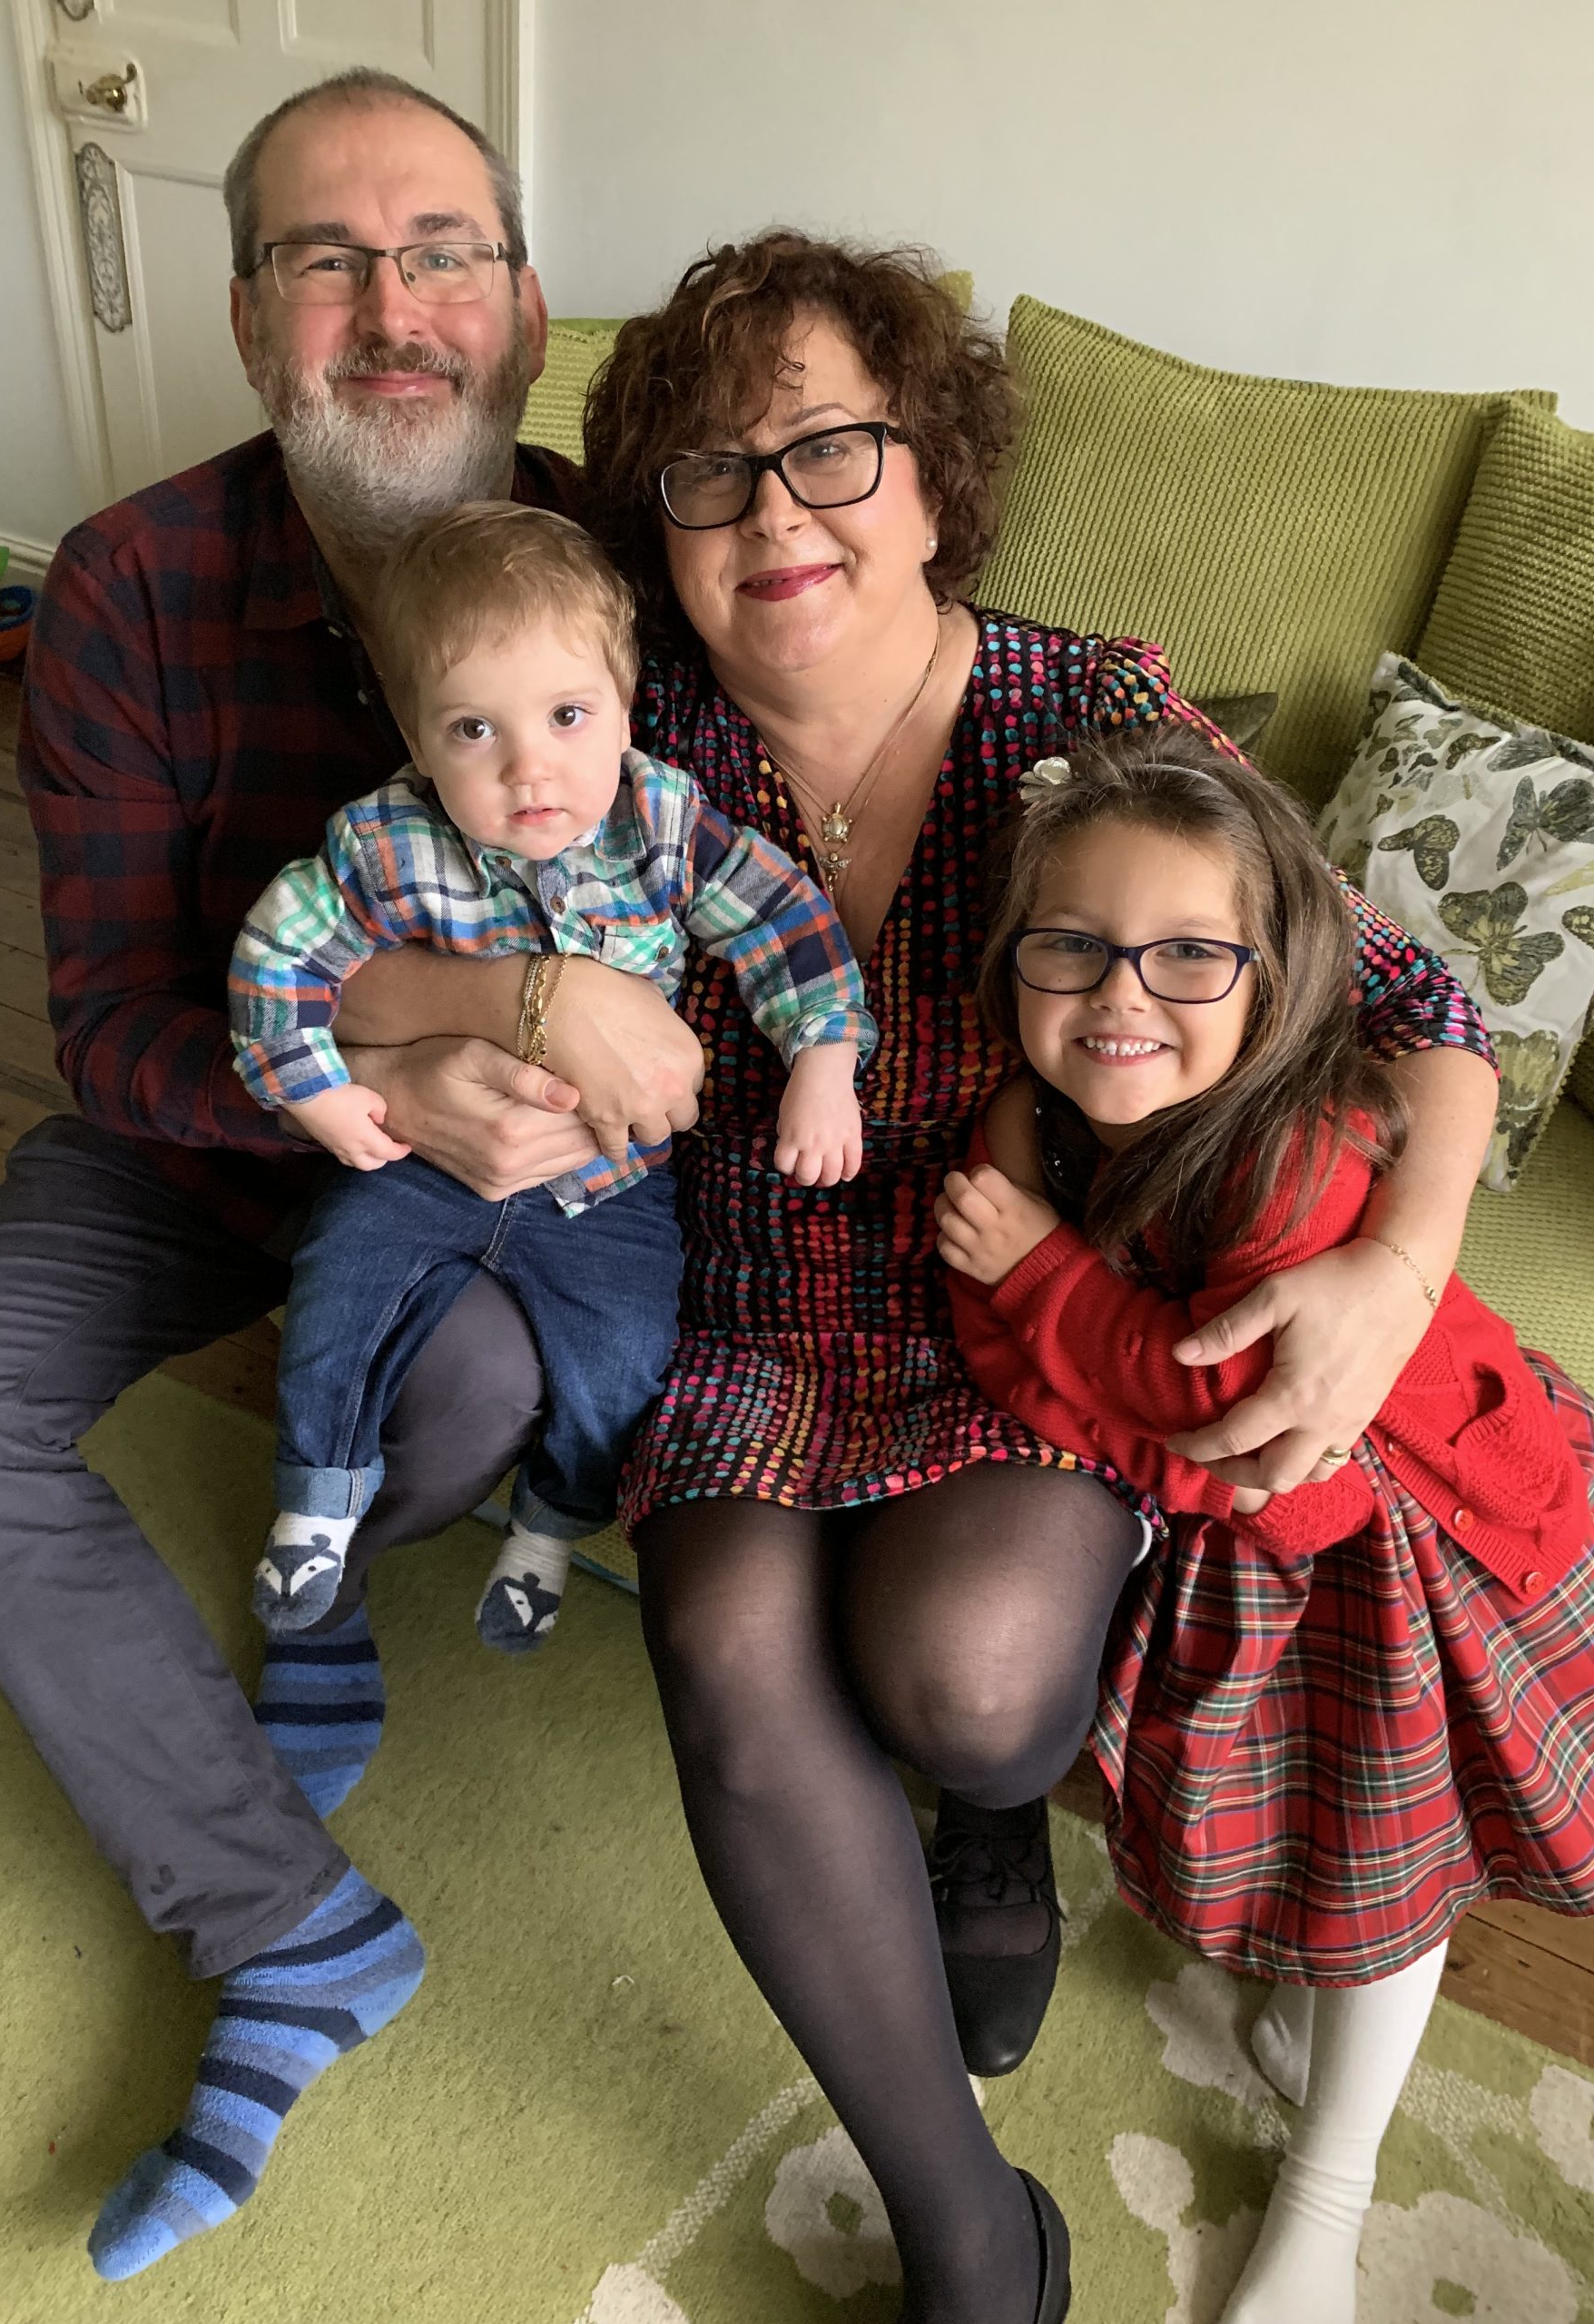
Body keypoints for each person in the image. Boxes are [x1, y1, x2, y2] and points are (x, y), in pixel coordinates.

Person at [323, 230, 1500, 2324]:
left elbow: (1418, 998)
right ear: (662, 535)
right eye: (709, 472)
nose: (773, 511)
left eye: (828, 448)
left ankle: (986, 1815)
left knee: (969, 1674)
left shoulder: (1081, 710)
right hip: (742, 1314)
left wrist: (1398, 1268)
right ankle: (974, 2229)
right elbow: (344, 943)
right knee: (730, 1660)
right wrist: (523, 990)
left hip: (1020, 1309)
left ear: (936, 474)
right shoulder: (619, 736)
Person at [0, 68, 667, 2280]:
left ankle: (341, 1568)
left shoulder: (626, 569)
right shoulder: (127, 584)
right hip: (211, 1142)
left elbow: (723, 910)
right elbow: (110, 1024)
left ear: (524, 309)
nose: (390, 308)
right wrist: (407, 1056)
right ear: (245, 318)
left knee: (469, 1385)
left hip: (521, 1199)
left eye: (441, 254)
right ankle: (289, 1930)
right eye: (326, 258)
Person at [940, 725, 1594, 2324]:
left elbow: (1243, 1450)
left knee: (1388, 1865)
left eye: (1188, 956)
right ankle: (1312, 2020)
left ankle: (1330, 2189)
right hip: (1257, 1554)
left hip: (1406, 1553)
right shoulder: (1029, 1124)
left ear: (1274, 984)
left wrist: (1048, 1284)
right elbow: (1030, 1376)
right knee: (1319, 1854)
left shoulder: (1291, 1156)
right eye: (1071, 945)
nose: (1121, 995)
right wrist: (1097, 1380)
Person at [231, 499, 873, 1648]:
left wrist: (823, 1057)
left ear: (625, 707)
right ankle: (315, 1503)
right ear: (417, 735)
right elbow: (282, 949)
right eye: (473, 729)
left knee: (623, 1358)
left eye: (568, 716)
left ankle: (544, 1534)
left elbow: (782, 918)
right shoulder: (384, 843)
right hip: (422, 1157)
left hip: (609, 1179)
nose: (530, 768)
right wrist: (309, 1084)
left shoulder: (660, 822)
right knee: (338, 1291)